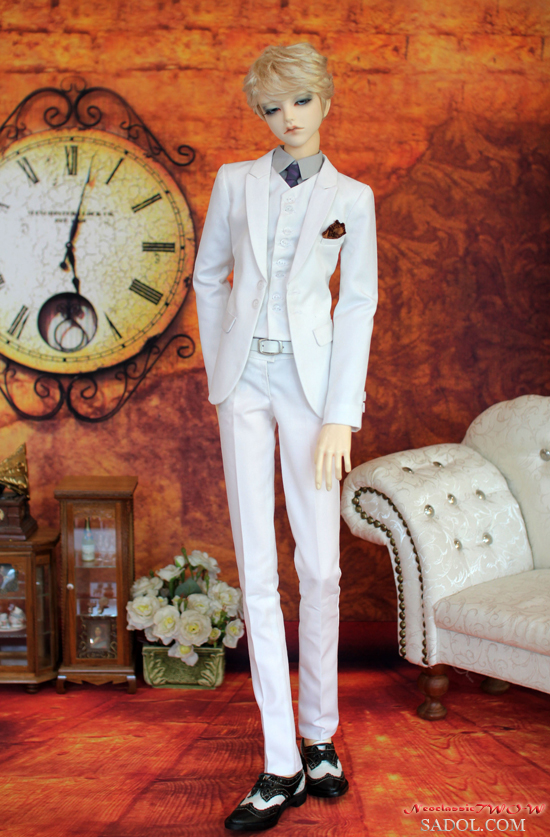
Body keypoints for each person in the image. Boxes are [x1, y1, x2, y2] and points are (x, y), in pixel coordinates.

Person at [193, 42, 378, 831]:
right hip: (245, 385)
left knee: (322, 567)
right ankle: (280, 760)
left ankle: (319, 732)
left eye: (299, 101)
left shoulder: (353, 198)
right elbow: (208, 276)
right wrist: (221, 371)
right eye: (272, 107)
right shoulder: (233, 182)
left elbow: (357, 305)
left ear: (324, 101)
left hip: (312, 391)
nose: (287, 118)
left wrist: (342, 412)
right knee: (259, 572)